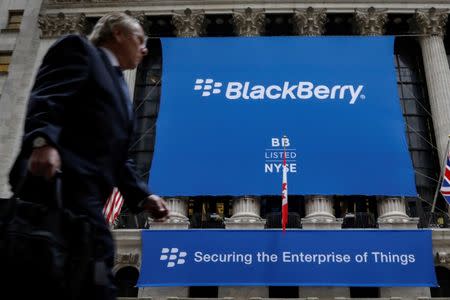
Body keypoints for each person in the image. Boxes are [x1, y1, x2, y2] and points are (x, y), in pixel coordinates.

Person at [8, 12, 169, 300]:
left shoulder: (120, 87)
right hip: (56, 189)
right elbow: (48, 98)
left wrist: (143, 195)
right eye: (139, 39)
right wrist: (43, 142)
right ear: (117, 34)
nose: (144, 48)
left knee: (94, 277)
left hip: (90, 204)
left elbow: (117, 155)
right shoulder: (78, 49)